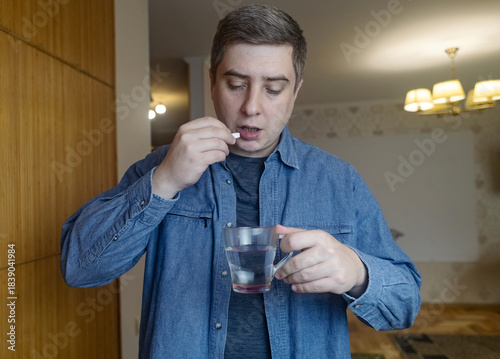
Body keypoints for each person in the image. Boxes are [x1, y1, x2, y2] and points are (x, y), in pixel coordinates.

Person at [61, 4, 421, 359]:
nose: (251, 106)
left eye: (274, 89)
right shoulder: (161, 165)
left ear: (295, 93)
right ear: (213, 83)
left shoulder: (339, 180)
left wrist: (357, 272)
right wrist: (164, 182)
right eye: (236, 84)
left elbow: (405, 304)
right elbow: (80, 267)